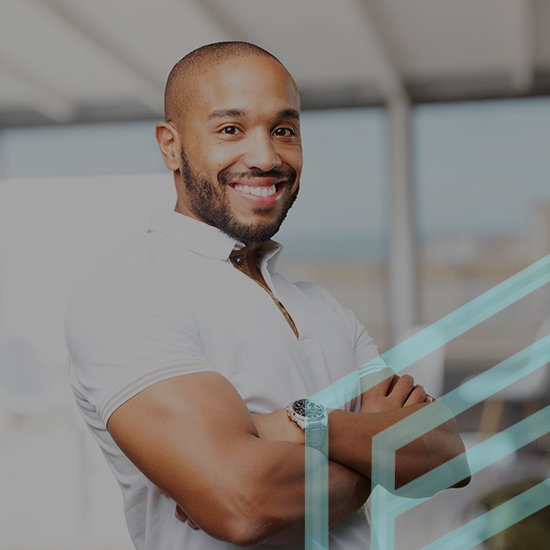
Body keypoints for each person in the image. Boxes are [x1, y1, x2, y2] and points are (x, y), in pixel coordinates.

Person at [66, 41, 469, 550]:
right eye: (230, 129)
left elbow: (447, 456)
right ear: (171, 145)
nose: (266, 157)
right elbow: (245, 504)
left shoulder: (323, 307)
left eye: (284, 130)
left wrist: (302, 424)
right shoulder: (129, 293)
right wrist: (376, 451)